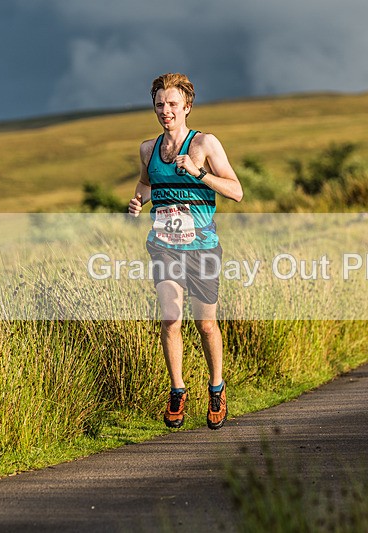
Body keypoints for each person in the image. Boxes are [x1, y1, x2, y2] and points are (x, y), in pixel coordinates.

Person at [128, 72, 243, 429]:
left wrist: (198, 173)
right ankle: (177, 390)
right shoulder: (149, 149)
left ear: (187, 106)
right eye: (160, 104)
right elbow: (147, 184)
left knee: (206, 324)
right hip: (164, 246)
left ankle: (216, 388)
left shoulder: (205, 144)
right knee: (170, 318)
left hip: (202, 247)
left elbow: (236, 191)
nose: (166, 111)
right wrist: (137, 202)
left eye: (173, 104)